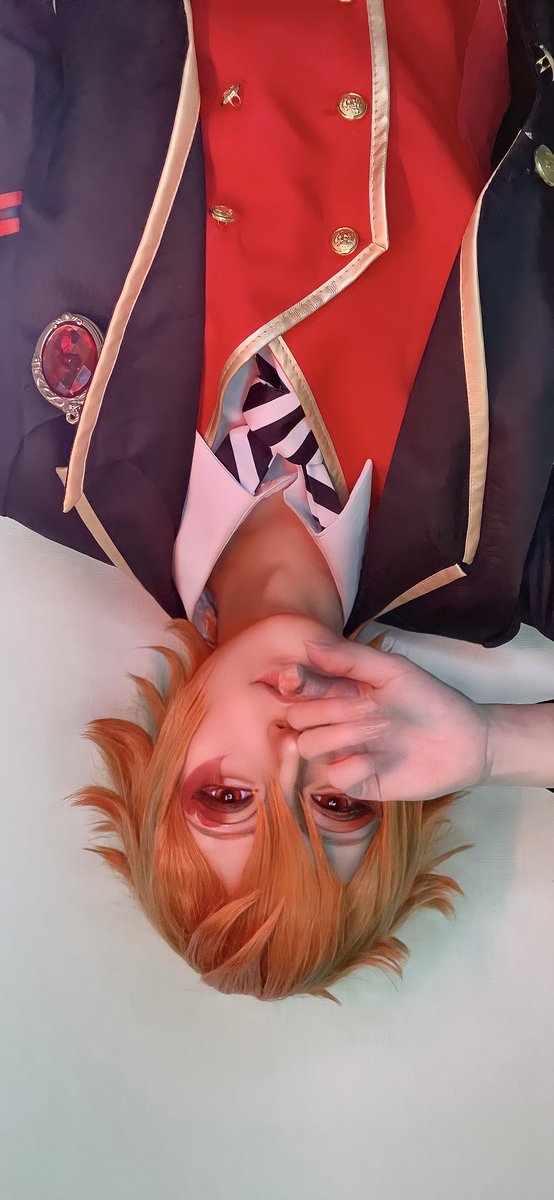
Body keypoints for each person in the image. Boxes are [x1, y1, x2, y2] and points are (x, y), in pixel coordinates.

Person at [1, 1, 553, 998]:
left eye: (226, 797)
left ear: (159, 766)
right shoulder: (509, 549)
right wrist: (496, 744)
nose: (293, 750)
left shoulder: (31, 444)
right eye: (339, 804)